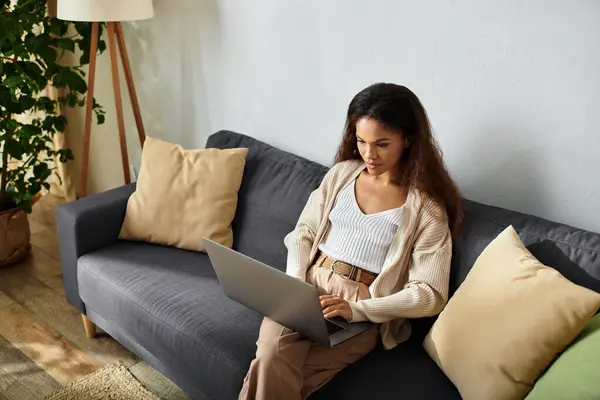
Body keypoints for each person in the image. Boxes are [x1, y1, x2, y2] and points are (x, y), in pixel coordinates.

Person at [239, 83, 463, 400]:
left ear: (408, 139)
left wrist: (356, 310)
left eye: (382, 144)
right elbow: (303, 232)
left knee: (272, 366)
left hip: (361, 304)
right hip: (307, 283)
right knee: (275, 359)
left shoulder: (427, 209)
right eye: (361, 141)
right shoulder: (342, 173)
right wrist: (294, 283)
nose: (369, 154)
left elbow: (429, 294)